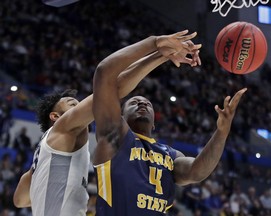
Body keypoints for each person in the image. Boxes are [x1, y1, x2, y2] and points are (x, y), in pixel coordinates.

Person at [12, 30, 194, 216]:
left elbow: (20, 199)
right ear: (55, 117)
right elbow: (113, 88)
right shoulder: (64, 127)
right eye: (73, 105)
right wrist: (158, 50)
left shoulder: (44, 157)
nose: (81, 107)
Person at [92, 30, 247, 216]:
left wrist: (221, 133)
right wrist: (155, 44)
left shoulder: (171, 155)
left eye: (148, 104)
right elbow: (104, 73)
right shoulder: (115, 137)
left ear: (154, 124)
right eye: (134, 102)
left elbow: (197, 171)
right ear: (121, 116)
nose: (142, 103)